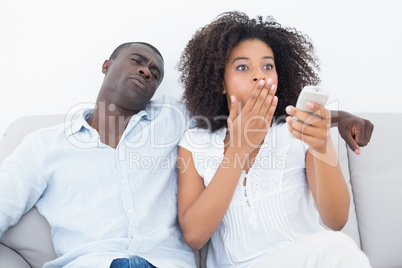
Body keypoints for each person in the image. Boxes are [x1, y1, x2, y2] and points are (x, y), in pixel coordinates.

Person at [0, 41, 371, 267]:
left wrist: (338, 117)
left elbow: (252, 106)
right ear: (106, 66)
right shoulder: (42, 145)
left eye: (155, 72)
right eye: (137, 60)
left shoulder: (177, 120)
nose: (147, 70)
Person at [177, 11, 371, 267]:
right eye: (242, 67)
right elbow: (194, 236)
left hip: (309, 256)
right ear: (220, 82)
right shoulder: (195, 143)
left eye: (267, 66)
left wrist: (322, 144)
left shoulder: (299, 131)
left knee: (338, 245)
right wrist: (239, 149)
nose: (259, 75)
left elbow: (336, 221)